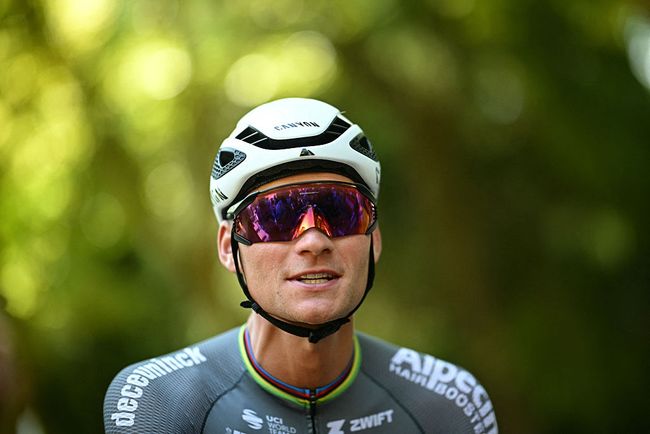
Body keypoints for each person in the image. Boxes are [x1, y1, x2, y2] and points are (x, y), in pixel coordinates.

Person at [103, 98, 499, 433]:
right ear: (228, 248)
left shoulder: (447, 406)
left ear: (374, 240)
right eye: (275, 216)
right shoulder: (160, 403)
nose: (313, 241)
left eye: (341, 212)